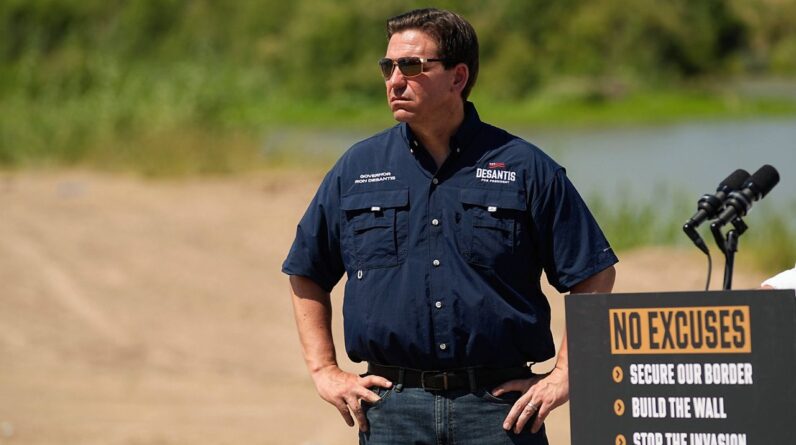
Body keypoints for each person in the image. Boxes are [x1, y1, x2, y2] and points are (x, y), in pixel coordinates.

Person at [282, 8, 618, 444]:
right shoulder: (358, 169)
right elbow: (306, 270)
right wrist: (324, 370)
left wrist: (565, 376)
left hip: (499, 414)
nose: (394, 80)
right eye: (388, 66)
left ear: (458, 78)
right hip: (392, 412)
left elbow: (593, 274)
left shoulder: (526, 168)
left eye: (412, 66)